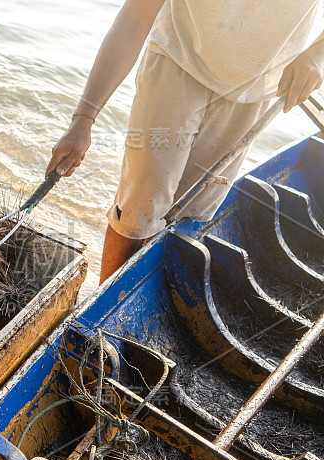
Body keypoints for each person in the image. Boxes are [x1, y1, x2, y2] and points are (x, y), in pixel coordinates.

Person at [45, 0, 324, 283]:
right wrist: (84, 119)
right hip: (178, 57)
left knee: (188, 220)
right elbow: (135, 17)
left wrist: (318, 54)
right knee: (138, 213)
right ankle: (96, 312)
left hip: (256, 88)